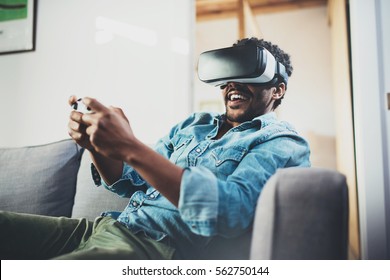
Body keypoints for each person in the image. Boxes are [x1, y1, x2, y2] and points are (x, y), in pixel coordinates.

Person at [0, 37, 310, 260]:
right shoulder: (195, 124)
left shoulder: (281, 143)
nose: (233, 84)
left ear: (277, 89)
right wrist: (95, 145)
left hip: (156, 249)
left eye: (248, 75)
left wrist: (130, 145)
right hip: (111, 226)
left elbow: (228, 212)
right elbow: (129, 180)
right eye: (228, 77)